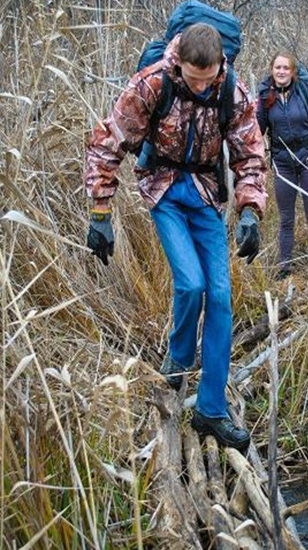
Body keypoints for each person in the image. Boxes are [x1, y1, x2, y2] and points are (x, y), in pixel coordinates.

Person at [85, 23, 267, 450]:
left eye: (209, 78)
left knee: (220, 297)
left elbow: (249, 153)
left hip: (206, 193)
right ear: (178, 62)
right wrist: (100, 212)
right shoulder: (151, 84)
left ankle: (210, 411)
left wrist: (250, 212)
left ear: (221, 63)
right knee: (190, 283)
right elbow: (107, 142)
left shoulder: (232, 91)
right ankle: (179, 360)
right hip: (163, 186)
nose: (202, 87)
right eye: (193, 78)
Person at [256, 52, 308, 279]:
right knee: (285, 217)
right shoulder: (265, 97)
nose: (281, 72)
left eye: (285, 68)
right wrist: (255, 162)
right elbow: (258, 130)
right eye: (277, 67)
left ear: (293, 71)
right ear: (272, 70)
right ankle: (285, 266)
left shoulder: (307, 91)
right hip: (282, 162)